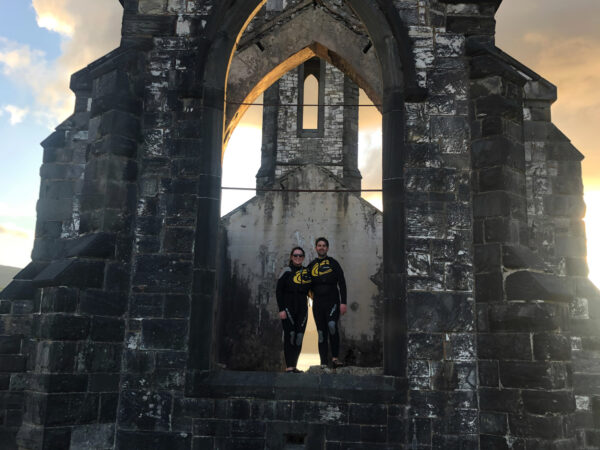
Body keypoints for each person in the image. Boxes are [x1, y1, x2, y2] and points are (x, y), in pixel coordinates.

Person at [307, 237, 347, 368]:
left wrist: (343, 302)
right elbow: (305, 284)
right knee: (320, 332)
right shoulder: (311, 265)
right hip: (318, 303)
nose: (321, 247)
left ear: (327, 248)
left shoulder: (333, 263)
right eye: (319, 245)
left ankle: (335, 358)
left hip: (333, 301)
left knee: (332, 326)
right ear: (316, 248)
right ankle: (323, 362)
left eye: (324, 245)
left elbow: (342, 282)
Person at [276, 246, 311, 373]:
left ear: (303, 257)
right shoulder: (286, 271)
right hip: (288, 307)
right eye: (295, 255)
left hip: (302, 307)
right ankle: (289, 366)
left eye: (300, 255)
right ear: (291, 257)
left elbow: (313, 289)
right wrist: (281, 309)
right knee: (290, 336)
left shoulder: (307, 272)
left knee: (299, 337)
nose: (298, 258)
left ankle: (294, 365)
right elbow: (279, 290)